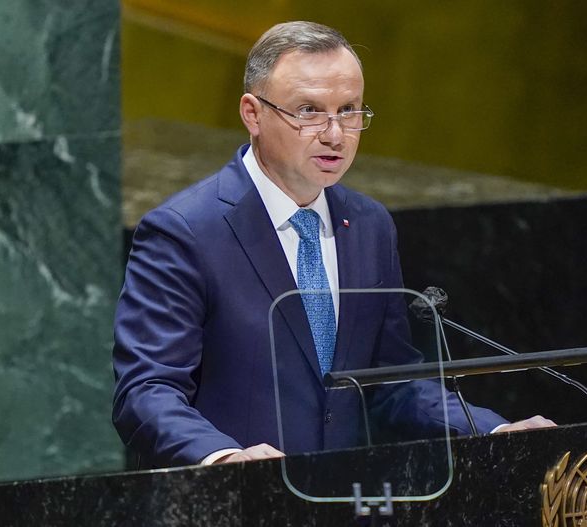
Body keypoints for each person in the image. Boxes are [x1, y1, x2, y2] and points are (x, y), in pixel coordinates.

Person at [112, 21, 553, 469]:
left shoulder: (368, 225)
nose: (335, 134)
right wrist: (223, 456)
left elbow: (391, 380)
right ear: (252, 113)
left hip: (348, 502)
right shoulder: (185, 230)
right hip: (236, 504)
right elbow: (147, 390)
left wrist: (490, 431)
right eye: (308, 111)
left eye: (349, 110)